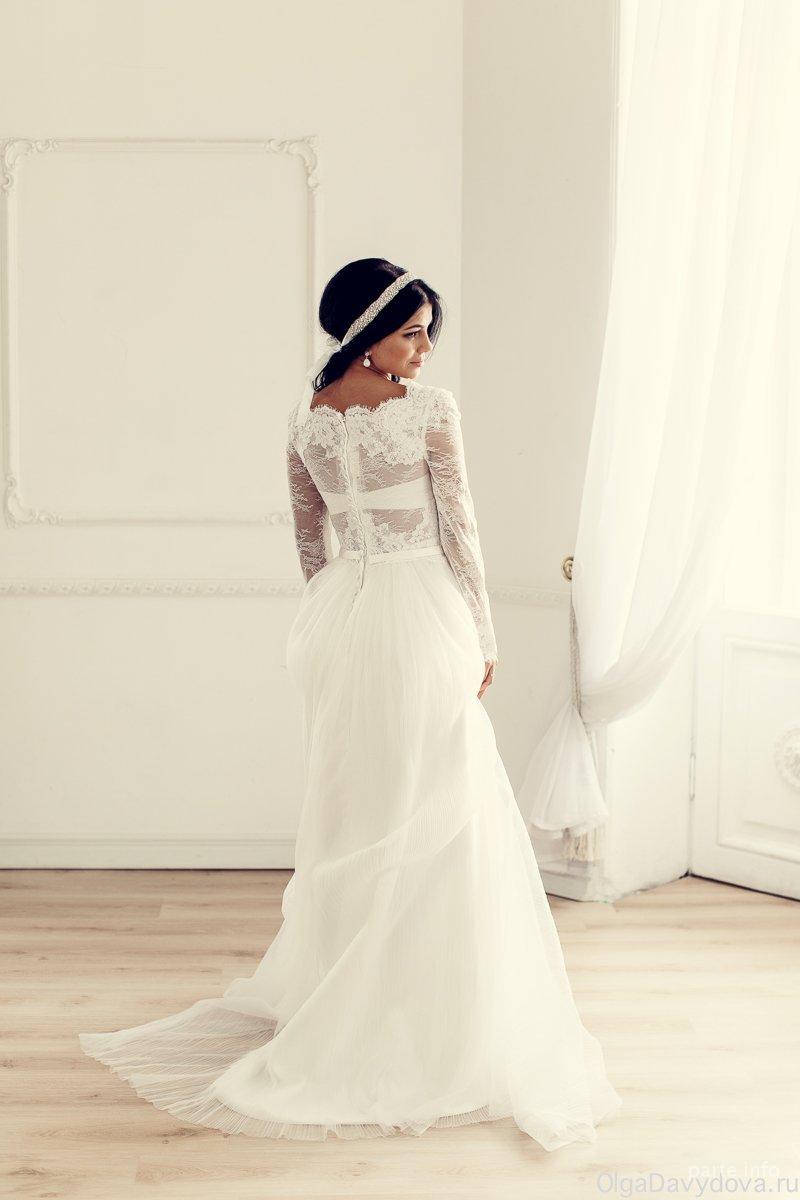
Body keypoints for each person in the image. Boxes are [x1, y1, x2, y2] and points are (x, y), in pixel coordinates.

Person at [78, 258, 622, 1150]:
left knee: (362, 803)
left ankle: (361, 988)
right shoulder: (429, 411)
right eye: (411, 332)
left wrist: (332, 616)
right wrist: (483, 635)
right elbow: (461, 530)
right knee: (435, 794)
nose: (425, 349)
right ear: (368, 332)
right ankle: (429, 1009)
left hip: (346, 618)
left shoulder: (307, 414)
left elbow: (309, 538)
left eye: (428, 333)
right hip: (422, 614)